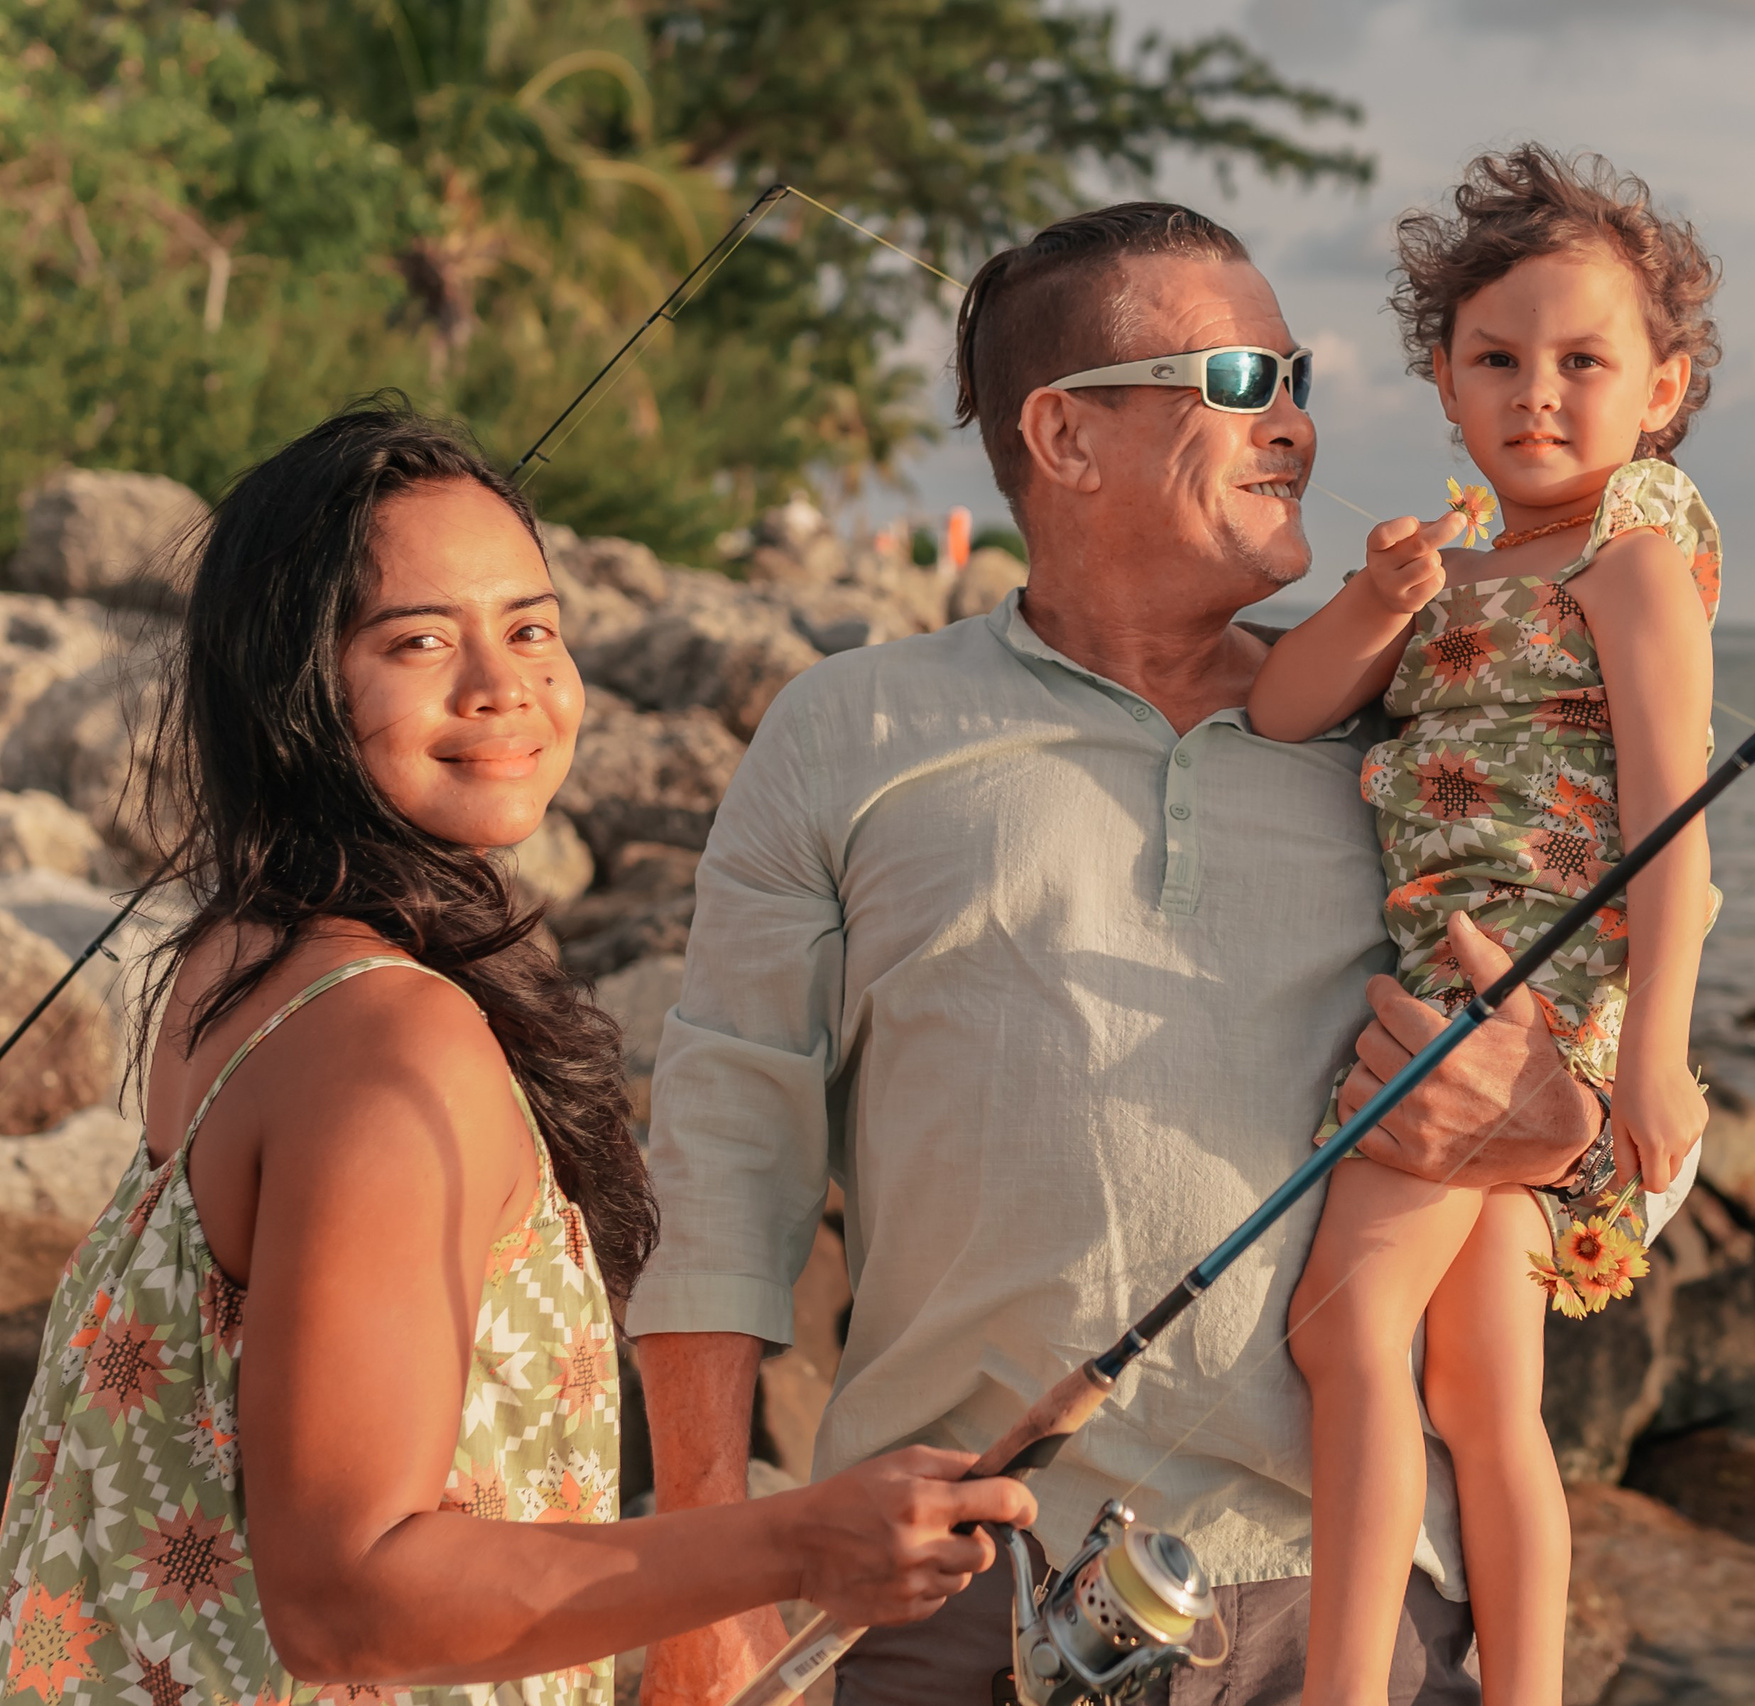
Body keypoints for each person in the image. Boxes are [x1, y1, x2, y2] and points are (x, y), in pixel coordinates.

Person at [627, 202, 1698, 1706]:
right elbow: (727, 1150)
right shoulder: (847, 727)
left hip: (1364, 1628)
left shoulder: (1414, 733)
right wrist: (704, 1570)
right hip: (946, 1597)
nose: (1302, 429)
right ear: (1064, 439)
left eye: (1302, 378)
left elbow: (1642, 1065)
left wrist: (1568, 1129)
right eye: (1247, 381)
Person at [0, 403, 1032, 1706]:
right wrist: (792, 1539)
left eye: (533, 625)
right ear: (294, 683)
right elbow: (346, 1593)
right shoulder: (388, 1038)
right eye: (420, 639)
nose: (506, 686)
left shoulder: (239, 961)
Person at [1247, 147, 1724, 1704]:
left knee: (1344, 1329)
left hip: (1531, 1008)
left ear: (1663, 386)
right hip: (1466, 995)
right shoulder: (1457, 572)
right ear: (1444, 385)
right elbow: (1281, 705)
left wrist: (1653, 1060)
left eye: (1585, 361)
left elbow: (1673, 827)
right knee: (1480, 1382)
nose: (1538, 394)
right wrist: (1382, 599)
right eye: (1496, 360)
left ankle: (1339, 1687)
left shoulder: (1630, 562)